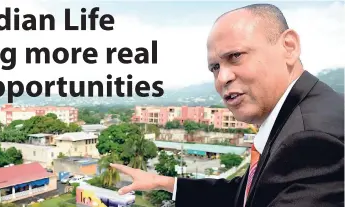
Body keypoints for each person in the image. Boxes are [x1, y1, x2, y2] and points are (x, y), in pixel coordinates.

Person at [110, 3, 344, 207]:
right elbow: (246, 195)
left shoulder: (311, 139)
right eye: (215, 68)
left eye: (236, 56)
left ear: (289, 46)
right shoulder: (294, 117)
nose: (222, 78)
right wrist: (163, 183)